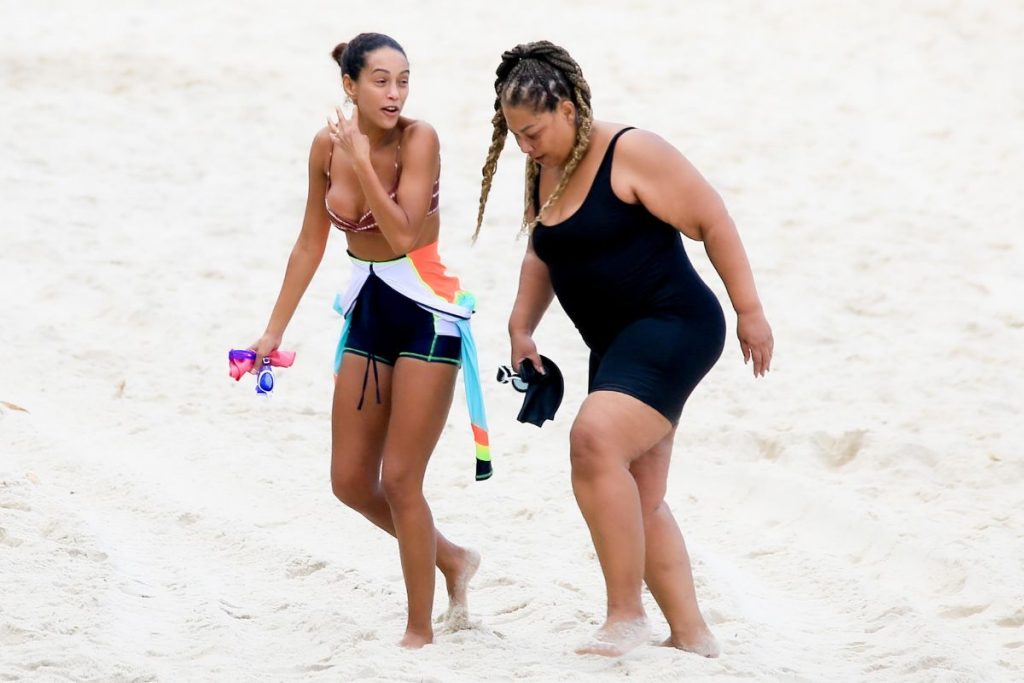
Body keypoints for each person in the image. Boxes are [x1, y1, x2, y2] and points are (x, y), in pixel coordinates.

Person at [475, 41, 774, 658]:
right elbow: (541, 251)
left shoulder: (630, 151)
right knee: (640, 494)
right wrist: (522, 327)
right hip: (613, 345)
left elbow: (712, 218)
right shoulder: (544, 166)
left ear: (565, 107)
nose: (525, 148)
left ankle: (624, 615)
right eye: (516, 137)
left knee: (594, 440)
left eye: (532, 133)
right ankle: (693, 636)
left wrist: (750, 310)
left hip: (675, 325)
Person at [248, 32, 485, 649]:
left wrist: (360, 161)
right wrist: (273, 331)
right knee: (351, 480)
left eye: (403, 80)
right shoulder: (325, 146)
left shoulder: (419, 139)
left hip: (426, 311)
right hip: (368, 309)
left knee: (402, 478)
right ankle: (453, 558)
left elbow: (404, 233)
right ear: (349, 86)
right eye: (380, 80)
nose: (395, 93)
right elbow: (309, 241)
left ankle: (419, 630)